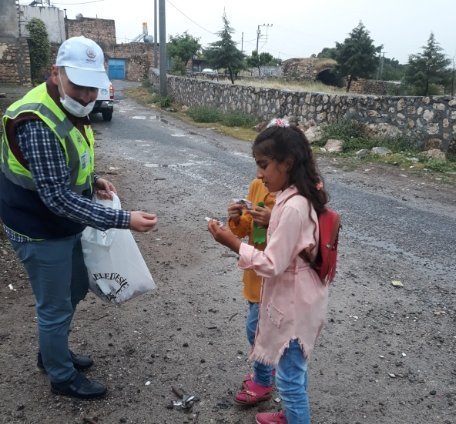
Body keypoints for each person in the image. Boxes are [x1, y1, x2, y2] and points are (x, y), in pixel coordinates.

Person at [0, 36, 158, 399]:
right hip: (38, 229)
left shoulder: (69, 108)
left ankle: (52, 351)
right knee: (54, 305)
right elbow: (55, 197)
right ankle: (60, 376)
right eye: (80, 86)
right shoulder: (36, 121)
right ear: (56, 73)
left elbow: (67, 162)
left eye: (94, 87)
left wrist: (94, 178)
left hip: (61, 224)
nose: (88, 96)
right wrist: (124, 220)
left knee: (73, 289)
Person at [208, 118, 329, 424]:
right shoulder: (296, 196)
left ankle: (294, 418)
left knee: (289, 378)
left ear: (287, 163)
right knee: (293, 369)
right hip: (297, 296)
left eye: (264, 164)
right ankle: (289, 414)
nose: (259, 174)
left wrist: (232, 243)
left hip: (293, 302)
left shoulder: (291, 206)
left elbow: (272, 263)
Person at [227, 180, 276, 405]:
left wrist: (272, 221)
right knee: (260, 329)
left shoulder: (296, 196)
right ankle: (267, 369)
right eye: (257, 164)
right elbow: (246, 226)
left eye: (265, 165)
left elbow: (298, 237)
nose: (259, 173)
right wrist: (236, 218)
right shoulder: (259, 185)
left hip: (276, 280)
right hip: (255, 275)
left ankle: (263, 380)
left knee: (256, 332)